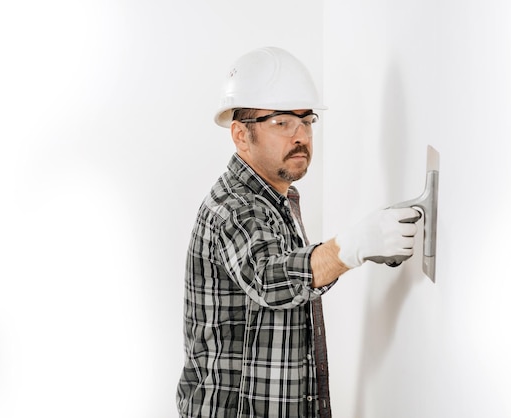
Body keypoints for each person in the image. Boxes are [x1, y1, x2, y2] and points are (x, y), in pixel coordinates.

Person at [176, 46, 419, 418]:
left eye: (306, 121)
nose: (301, 135)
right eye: (282, 122)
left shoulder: (278, 198)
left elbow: (295, 286)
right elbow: (270, 279)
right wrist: (350, 247)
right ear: (241, 135)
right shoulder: (234, 207)